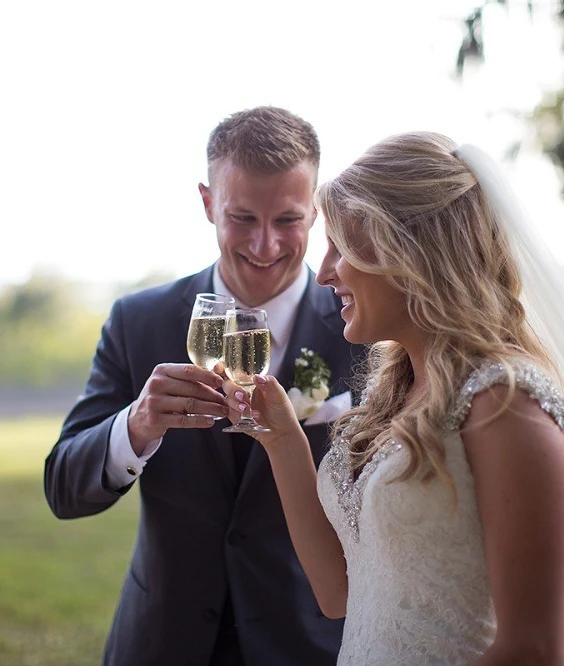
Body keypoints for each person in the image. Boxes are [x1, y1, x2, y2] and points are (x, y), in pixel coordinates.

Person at [222, 131, 564, 665]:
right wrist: (283, 439)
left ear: (409, 251)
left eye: (343, 246)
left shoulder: (506, 405)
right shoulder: (395, 396)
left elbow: (532, 650)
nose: (326, 269)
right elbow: (337, 594)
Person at [44, 106, 361, 666]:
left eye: (287, 220)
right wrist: (135, 427)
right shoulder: (138, 321)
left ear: (316, 211)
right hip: (162, 643)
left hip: (307, 644)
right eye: (242, 217)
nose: (265, 247)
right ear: (208, 202)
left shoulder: (362, 332)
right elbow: (63, 487)